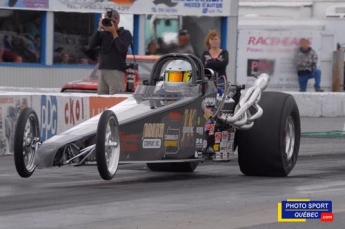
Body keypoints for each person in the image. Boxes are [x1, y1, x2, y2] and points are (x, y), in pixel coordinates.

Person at [89, 8, 132, 95]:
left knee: (115, 97)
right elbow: (91, 45)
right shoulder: (103, 34)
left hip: (116, 71)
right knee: (101, 97)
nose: (107, 22)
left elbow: (122, 48)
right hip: (102, 70)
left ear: (117, 20)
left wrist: (114, 33)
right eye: (105, 19)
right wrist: (99, 29)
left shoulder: (125, 33)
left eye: (109, 20)